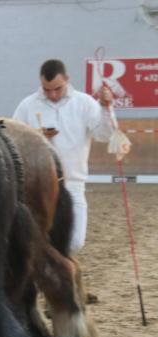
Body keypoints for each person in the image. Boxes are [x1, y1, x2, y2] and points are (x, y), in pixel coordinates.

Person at [13, 59, 116, 255]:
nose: (52, 94)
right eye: (47, 89)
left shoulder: (85, 103)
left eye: (57, 89)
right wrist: (34, 135)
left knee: (75, 242)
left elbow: (105, 135)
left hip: (73, 185)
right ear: (40, 82)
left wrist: (106, 108)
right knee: (35, 239)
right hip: (38, 185)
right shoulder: (27, 105)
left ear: (67, 79)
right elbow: (8, 130)